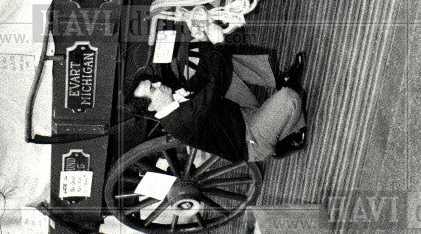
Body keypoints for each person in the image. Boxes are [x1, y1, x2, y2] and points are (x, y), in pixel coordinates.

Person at [127, 41, 307, 163]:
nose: (158, 84)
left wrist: (204, 37)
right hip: (250, 140)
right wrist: (218, 42)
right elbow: (215, 84)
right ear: (151, 106)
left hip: (239, 114)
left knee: (225, 62)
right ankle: (284, 140)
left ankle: (279, 80)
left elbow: (203, 75)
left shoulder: (172, 99)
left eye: (153, 82)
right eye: (152, 89)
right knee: (289, 98)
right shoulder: (182, 121)